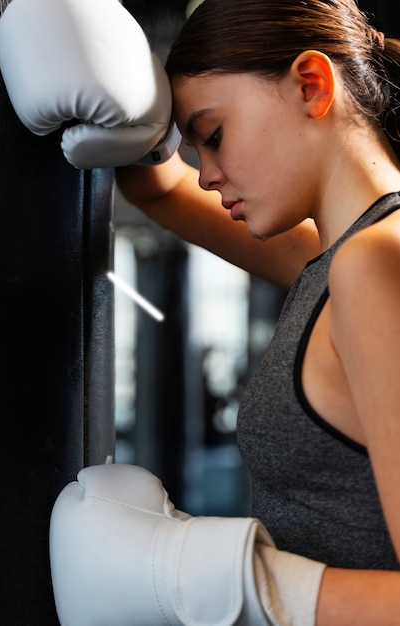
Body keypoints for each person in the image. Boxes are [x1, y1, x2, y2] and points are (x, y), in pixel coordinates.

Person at [115, 0, 400, 623]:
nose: (209, 173)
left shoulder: (375, 263)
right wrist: (118, 89)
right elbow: (160, 186)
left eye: (213, 136)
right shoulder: (340, 255)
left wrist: (241, 581)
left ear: (311, 85)